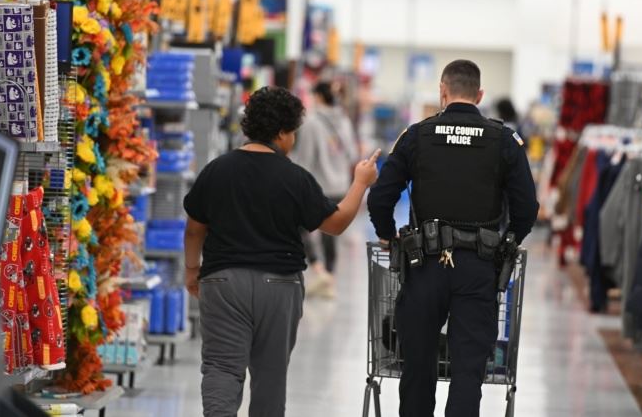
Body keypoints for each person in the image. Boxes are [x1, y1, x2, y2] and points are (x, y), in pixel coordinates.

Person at [182, 86, 380, 417]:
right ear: (282, 132)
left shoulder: (217, 170)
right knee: (270, 378)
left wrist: (192, 271)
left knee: (220, 370)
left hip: (222, 282)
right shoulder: (295, 178)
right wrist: (361, 182)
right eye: (293, 133)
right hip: (280, 286)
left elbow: (194, 229)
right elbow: (336, 223)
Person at [367, 60, 539, 417]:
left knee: (416, 368)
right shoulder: (504, 141)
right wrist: (507, 244)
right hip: (478, 270)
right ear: (479, 95)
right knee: (467, 372)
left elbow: (381, 197)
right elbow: (527, 209)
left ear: (442, 91)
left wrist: (388, 237)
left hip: (423, 266)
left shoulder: (418, 136)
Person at [290, 81, 358, 299]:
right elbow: (353, 154)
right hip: (340, 185)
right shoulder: (345, 121)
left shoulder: (311, 122)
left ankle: (319, 270)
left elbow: (305, 158)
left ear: (318, 97)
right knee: (332, 234)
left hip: (318, 185)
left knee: (303, 226)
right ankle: (330, 278)